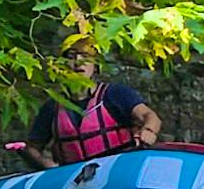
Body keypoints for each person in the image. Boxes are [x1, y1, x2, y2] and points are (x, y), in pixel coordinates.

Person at [24, 46, 160, 168]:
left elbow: (149, 116)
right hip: (75, 180)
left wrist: (148, 130)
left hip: (118, 170)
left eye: (86, 56)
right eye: (71, 57)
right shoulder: (52, 107)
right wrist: (46, 164)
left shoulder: (115, 94)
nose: (78, 62)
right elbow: (32, 148)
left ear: (95, 66)